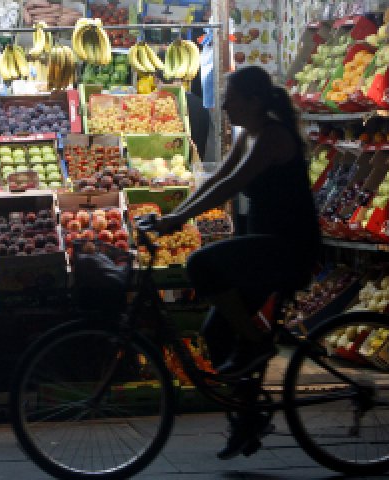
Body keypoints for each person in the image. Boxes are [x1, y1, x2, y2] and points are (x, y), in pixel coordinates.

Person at [154, 66, 321, 459]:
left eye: (231, 97)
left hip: (287, 247)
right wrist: (174, 215)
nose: (224, 104)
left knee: (199, 266)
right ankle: (248, 421)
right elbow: (215, 180)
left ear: (254, 101)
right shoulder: (248, 134)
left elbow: (234, 184)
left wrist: (176, 220)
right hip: (263, 246)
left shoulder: (273, 136)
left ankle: (253, 341)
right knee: (216, 332)